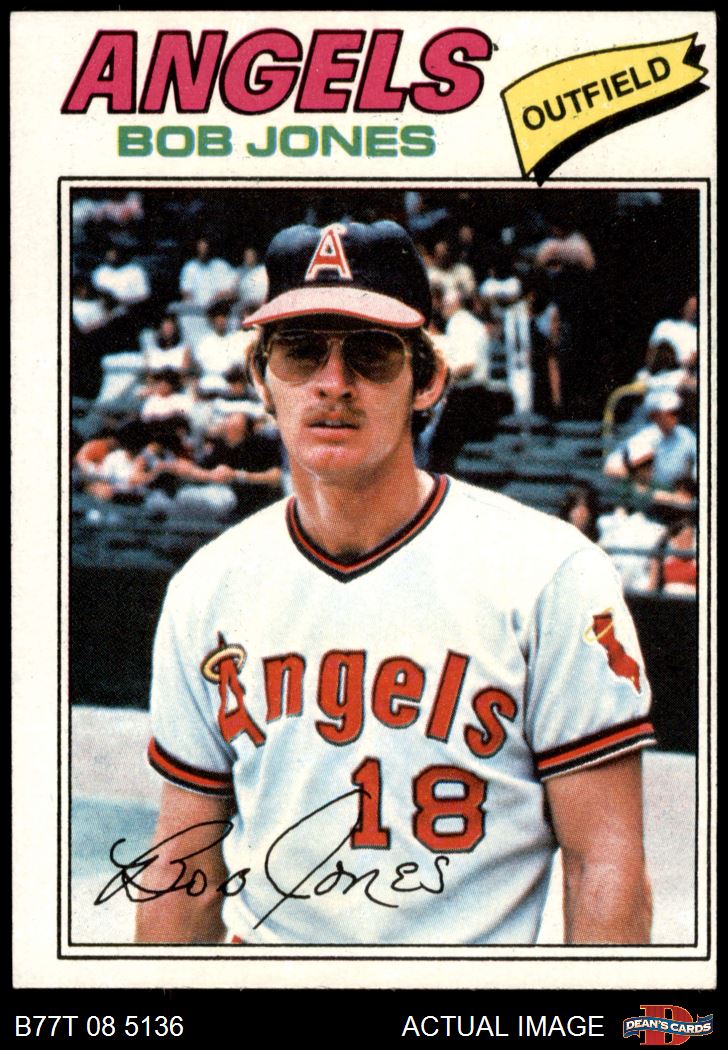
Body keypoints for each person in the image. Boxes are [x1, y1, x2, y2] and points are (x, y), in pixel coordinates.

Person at [137, 219, 655, 946]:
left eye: (372, 354)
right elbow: (183, 867)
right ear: (260, 378)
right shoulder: (207, 588)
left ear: (428, 378)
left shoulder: (548, 574)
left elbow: (604, 863)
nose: (333, 383)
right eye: (301, 352)